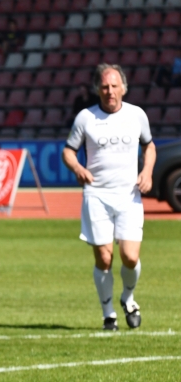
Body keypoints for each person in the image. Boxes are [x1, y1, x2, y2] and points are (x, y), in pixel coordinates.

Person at [62, 64, 155, 331]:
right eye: (104, 87)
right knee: (104, 258)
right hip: (97, 195)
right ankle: (109, 315)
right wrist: (78, 168)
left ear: (123, 88)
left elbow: (149, 146)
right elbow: (68, 151)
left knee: (130, 257)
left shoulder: (137, 115)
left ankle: (128, 298)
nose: (110, 91)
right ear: (97, 89)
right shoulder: (85, 118)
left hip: (129, 195)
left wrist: (147, 171)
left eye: (114, 86)